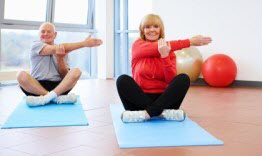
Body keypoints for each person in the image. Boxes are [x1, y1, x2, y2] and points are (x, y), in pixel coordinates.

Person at [116, 14, 212, 123]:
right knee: (122, 80)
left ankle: (148, 113)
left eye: (156, 26)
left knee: (183, 78)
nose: (152, 30)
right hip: (140, 100)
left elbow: (170, 80)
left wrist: (165, 56)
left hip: (165, 100)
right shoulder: (137, 46)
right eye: (147, 27)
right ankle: (162, 113)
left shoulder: (169, 51)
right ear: (142, 31)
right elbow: (156, 48)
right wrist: (189, 41)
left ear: (160, 29)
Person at [17, 22, 103, 106]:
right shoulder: (35, 45)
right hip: (37, 87)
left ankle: (45, 98)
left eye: (49, 31)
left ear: (55, 34)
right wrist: (83, 44)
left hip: (59, 87)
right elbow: (55, 48)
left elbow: (64, 76)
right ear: (39, 34)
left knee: (76, 71)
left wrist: (60, 58)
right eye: (43, 31)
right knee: (20, 75)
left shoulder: (63, 50)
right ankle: (54, 98)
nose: (45, 34)